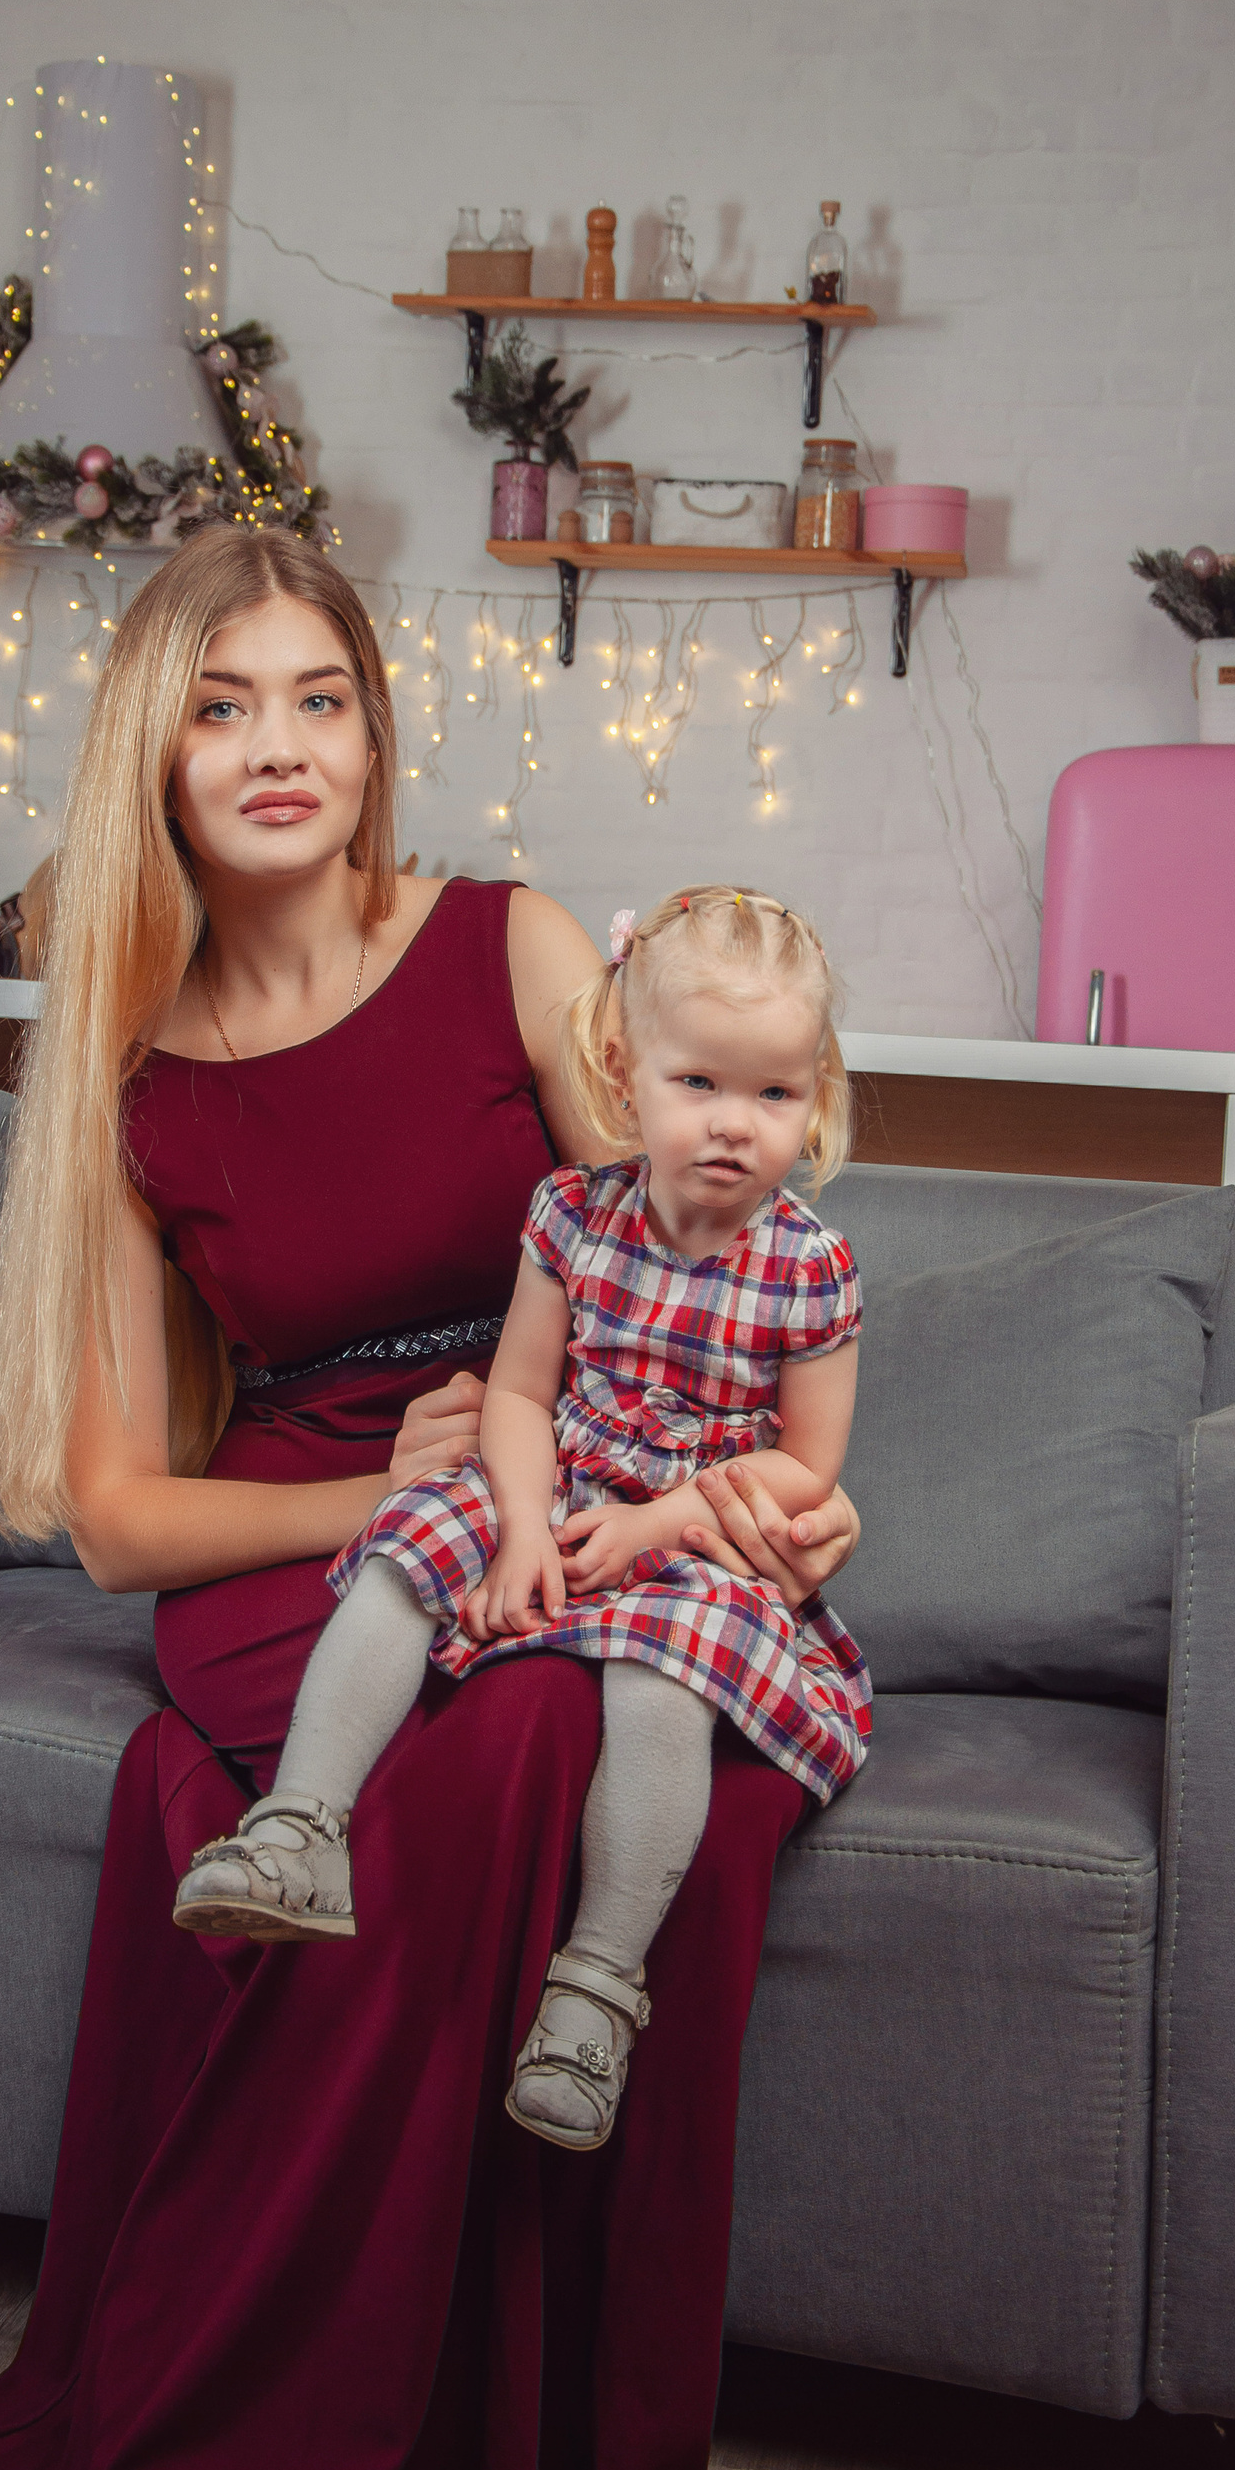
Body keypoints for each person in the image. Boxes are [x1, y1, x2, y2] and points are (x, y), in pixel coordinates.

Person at [0, 527, 862, 2470]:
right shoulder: (131, 1073)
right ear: (155, 756)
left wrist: (766, 1489)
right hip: (305, 1537)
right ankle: (278, 2399)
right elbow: (121, 1520)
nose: (278, 745)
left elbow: (702, 1254)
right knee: (502, 1743)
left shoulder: (509, 943)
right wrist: (376, 1503)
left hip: (571, 1474)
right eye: (223, 706)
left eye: (318, 697)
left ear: (373, 733)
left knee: (574, 1735)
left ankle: (506, 2413)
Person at [173, 883, 872, 2159]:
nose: (732, 1124)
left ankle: (596, 1988)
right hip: (562, 1477)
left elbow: (808, 1466)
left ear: (814, 1096)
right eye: (698, 1082)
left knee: (664, 1677)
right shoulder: (573, 1214)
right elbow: (518, 1394)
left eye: (773, 1094)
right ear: (622, 1072)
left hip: (699, 1524)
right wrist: (519, 1529)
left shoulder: (808, 1266)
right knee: (405, 1550)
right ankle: (300, 1830)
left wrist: (659, 1527)